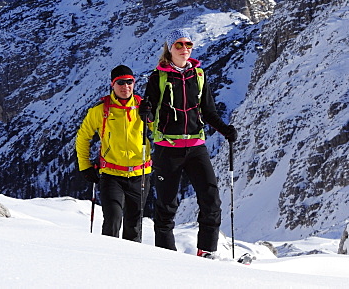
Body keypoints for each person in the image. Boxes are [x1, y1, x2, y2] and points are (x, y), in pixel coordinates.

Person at [141, 28, 238, 258]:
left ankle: (206, 251)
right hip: (167, 149)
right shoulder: (158, 77)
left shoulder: (199, 75)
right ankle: (167, 257)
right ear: (169, 49)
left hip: (195, 147)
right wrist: (144, 111)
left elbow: (208, 112)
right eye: (179, 45)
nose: (185, 49)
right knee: (166, 206)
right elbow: (148, 112)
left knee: (211, 200)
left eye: (188, 45)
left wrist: (225, 130)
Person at [75, 64, 151, 241]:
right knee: (112, 221)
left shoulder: (143, 107)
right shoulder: (100, 111)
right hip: (111, 175)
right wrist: (85, 167)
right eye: (121, 83)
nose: (126, 87)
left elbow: (159, 133)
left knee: (134, 225)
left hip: (140, 174)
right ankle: (108, 263)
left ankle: (131, 264)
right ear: (112, 85)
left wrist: (152, 117)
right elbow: (82, 138)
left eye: (130, 82)